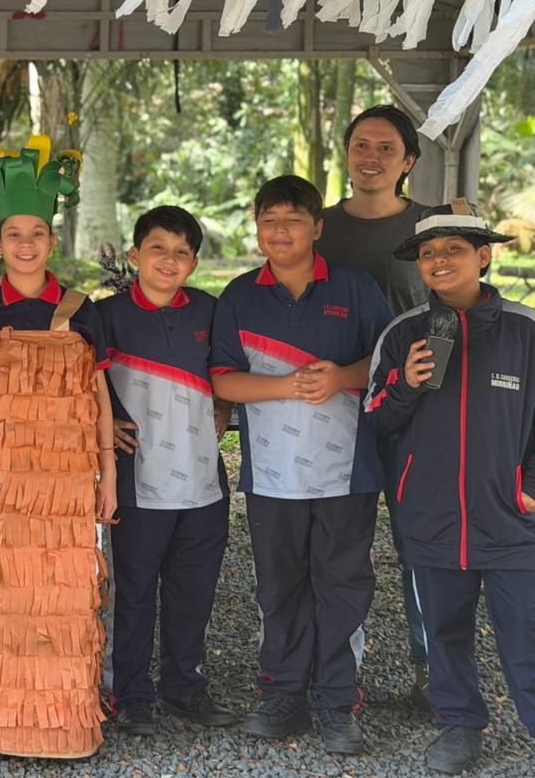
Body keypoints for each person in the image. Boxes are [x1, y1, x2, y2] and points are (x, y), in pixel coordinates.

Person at [0, 137, 116, 763]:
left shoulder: (83, 312)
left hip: (65, 494)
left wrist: (109, 477)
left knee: (60, 600)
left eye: (37, 231)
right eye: (15, 233)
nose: (27, 243)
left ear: (51, 240)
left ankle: (59, 728)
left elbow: (98, 400)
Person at [211, 175, 391, 756]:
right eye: (269, 219)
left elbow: (385, 362)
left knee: (342, 584)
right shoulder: (238, 295)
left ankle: (338, 702)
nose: (280, 229)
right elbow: (223, 380)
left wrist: (340, 376)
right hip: (272, 473)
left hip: (350, 470)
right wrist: (285, 385)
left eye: (293, 218)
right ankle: (283, 694)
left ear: (317, 227)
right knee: (280, 586)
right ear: (257, 227)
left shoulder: (356, 287)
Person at [365, 201, 535, 775]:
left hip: (514, 518)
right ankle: (460, 724)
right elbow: (377, 420)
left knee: (526, 637)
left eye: (454, 250)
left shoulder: (525, 331)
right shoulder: (404, 334)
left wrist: (529, 486)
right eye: (429, 253)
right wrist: (406, 385)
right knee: (443, 632)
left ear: (483, 257)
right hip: (431, 518)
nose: (440, 261)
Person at [95, 206, 236, 736]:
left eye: (181, 252)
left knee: (193, 591)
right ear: (134, 256)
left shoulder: (211, 311)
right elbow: (84, 387)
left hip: (203, 482)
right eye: (157, 249)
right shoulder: (104, 316)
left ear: (195, 262)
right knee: (132, 592)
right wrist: (100, 422)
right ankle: (131, 693)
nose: (168, 260)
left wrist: (227, 408)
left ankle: (185, 686)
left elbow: (230, 376)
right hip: (136, 482)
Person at [316, 104, 433, 709]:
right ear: (347, 153)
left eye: (386, 148)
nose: (372, 156)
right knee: (340, 547)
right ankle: (337, 679)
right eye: (362, 144)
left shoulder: (433, 226)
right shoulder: (320, 229)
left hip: (418, 410)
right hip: (335, 407)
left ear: (408, 162)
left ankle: (433, 675)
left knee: (422, 543)